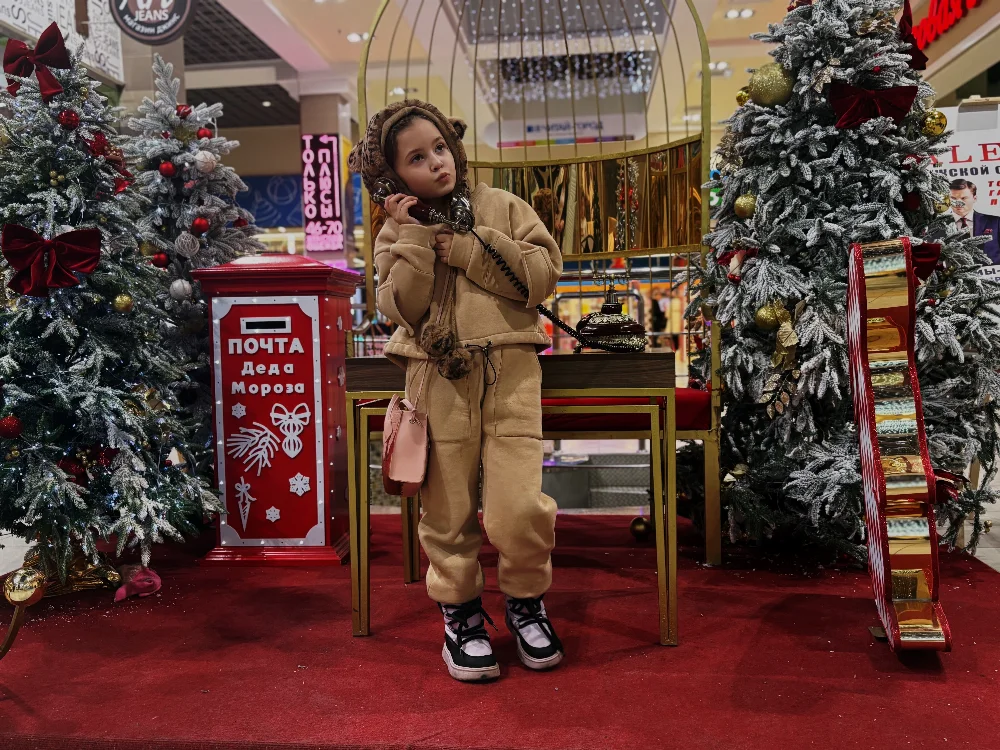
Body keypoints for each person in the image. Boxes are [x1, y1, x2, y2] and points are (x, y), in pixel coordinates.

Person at [348, 101, 564, 682]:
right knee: (446, 513)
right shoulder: (395, 230)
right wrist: (417, 239)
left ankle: (526, 602)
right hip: (435, 375)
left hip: (510, 371)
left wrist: (468, 248)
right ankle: (461, 615)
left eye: (440, 147)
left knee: (518, 508)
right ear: (394, 176)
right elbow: (399, 306)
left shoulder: (502, 205)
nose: (437, 163)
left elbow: (543, 273)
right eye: (417, 158)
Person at [949, 178, 1000, 264]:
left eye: (964, 198)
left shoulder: (995, 222)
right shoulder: (936, 227)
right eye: (953, 198)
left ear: (974, 198)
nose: (958, 203)